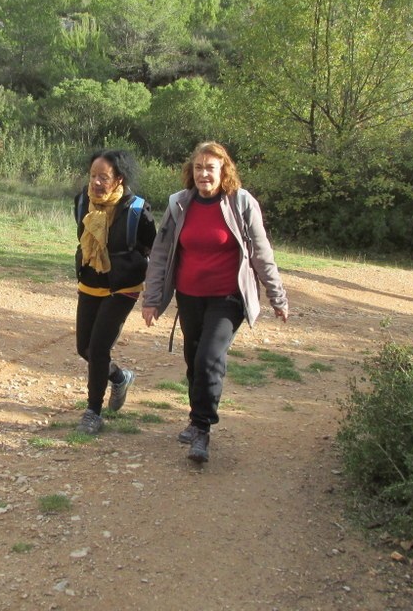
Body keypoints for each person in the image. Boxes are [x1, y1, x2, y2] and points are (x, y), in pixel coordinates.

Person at [142, 141, 288, 464]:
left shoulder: (241, 203)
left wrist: (277, 296)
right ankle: (197, 418)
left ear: (224, 171)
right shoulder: (179, 204)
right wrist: (151, 300)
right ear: (190, 172)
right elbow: (161, 253)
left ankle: (202, 429)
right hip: (189, 295)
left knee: (209, 356)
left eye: (210, 168)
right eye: (198, 168)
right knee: (194, 359)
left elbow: (262, 254)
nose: (203, 174)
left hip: (228, 297)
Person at [74, 149, 157, 435]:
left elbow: (153, 248)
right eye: (93, 176)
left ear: (119, 179)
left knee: (98, 349)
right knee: (84, 348)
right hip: (90, 282)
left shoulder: (137, 209)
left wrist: (153, 292)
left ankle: (93, 412)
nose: (96, 182)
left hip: (123, 287)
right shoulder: (83, 201)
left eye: (104, 177)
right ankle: (120, 378)